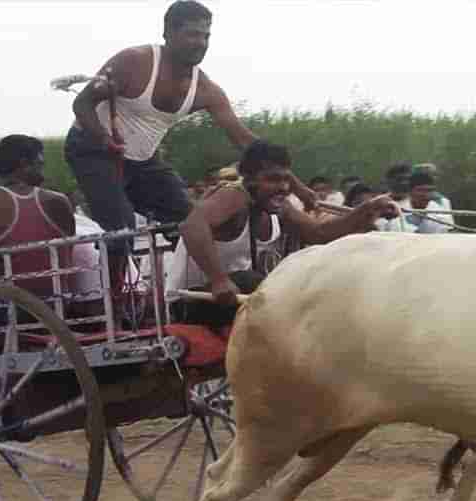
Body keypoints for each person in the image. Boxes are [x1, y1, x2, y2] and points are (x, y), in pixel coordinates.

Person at [65, 1, 315, 288]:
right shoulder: (133, 62)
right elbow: (81, 104)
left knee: (190, 217)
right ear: (168, 33)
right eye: (192, 34)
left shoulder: (206, 90)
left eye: (206, 36)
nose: (200, 43)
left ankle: (192, 288)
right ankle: (114, 299)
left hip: (142, 161)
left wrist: (298, 187)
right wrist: (104, 138)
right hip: (93, 150)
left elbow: (248, 144)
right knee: (122, 228)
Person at [171, 140, 396, 326]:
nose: (284, 188)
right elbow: (191, 226)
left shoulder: (279, 206)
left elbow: (319, 234)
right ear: (248, 179)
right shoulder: (233, 195)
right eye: (273, 179)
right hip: (190, 303)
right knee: (257, 282)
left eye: (287, 179)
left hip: (239, 298)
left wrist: (367, 210)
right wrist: (219, 280)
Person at [0, 135, 76, 298]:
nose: (43, 173)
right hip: (58, 303)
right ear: (24, 164)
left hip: (9, 307)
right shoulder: (58, 201)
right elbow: (68, 254)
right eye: (40, 164)